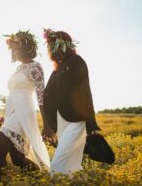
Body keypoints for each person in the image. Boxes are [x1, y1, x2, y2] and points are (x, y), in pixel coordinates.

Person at [42, 29, 101, 174]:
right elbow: (49, 95)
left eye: (52, 44)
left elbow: (85, 92)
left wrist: (91, 123)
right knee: (70, 166)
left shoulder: (76, 61)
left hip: (76, 121)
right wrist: (48, 124)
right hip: (61, 120)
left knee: (57, 165)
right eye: (49, 45)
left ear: (62, 44)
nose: (50, 48)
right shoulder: (57, 69)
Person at [0, 30, 50, 170]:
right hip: (12, 113)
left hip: (23, 113)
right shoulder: (18, 68)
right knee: (18, 160)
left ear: (26, 48)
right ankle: (38, 176)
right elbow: (13, 95)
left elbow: (41, 96)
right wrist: (6, 117)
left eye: (16, 48)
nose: (14, 52)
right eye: (12, 49)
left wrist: (47, 125)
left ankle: (0, 180)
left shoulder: (36, 67)